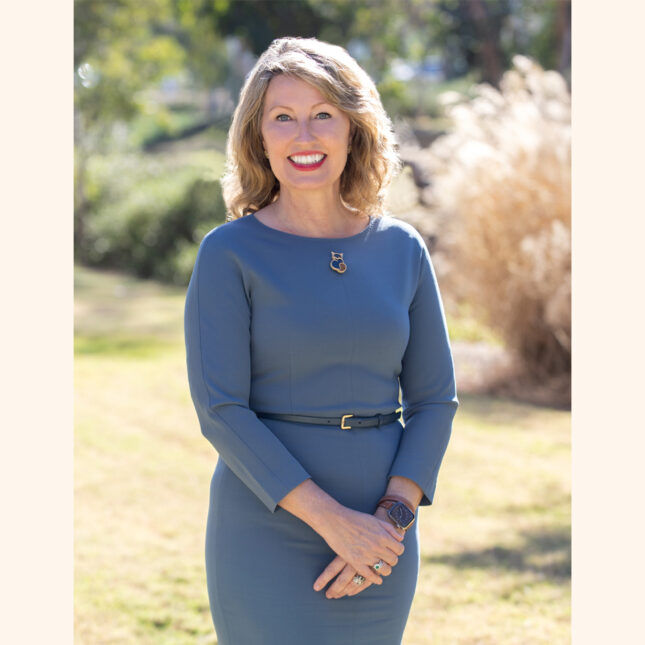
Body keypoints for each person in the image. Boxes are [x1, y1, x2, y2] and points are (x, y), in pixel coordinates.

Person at [184, 36, 458, 645]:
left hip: (386, 533)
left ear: (353, 129)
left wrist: (391, 518)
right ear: (258, 136)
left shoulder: (402, 249)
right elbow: (222, 410)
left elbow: (436, 399)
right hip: (264, 528)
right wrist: (336, 524)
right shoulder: (229, 253)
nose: (303, 137)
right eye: (282, 118)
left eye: (322, 115)